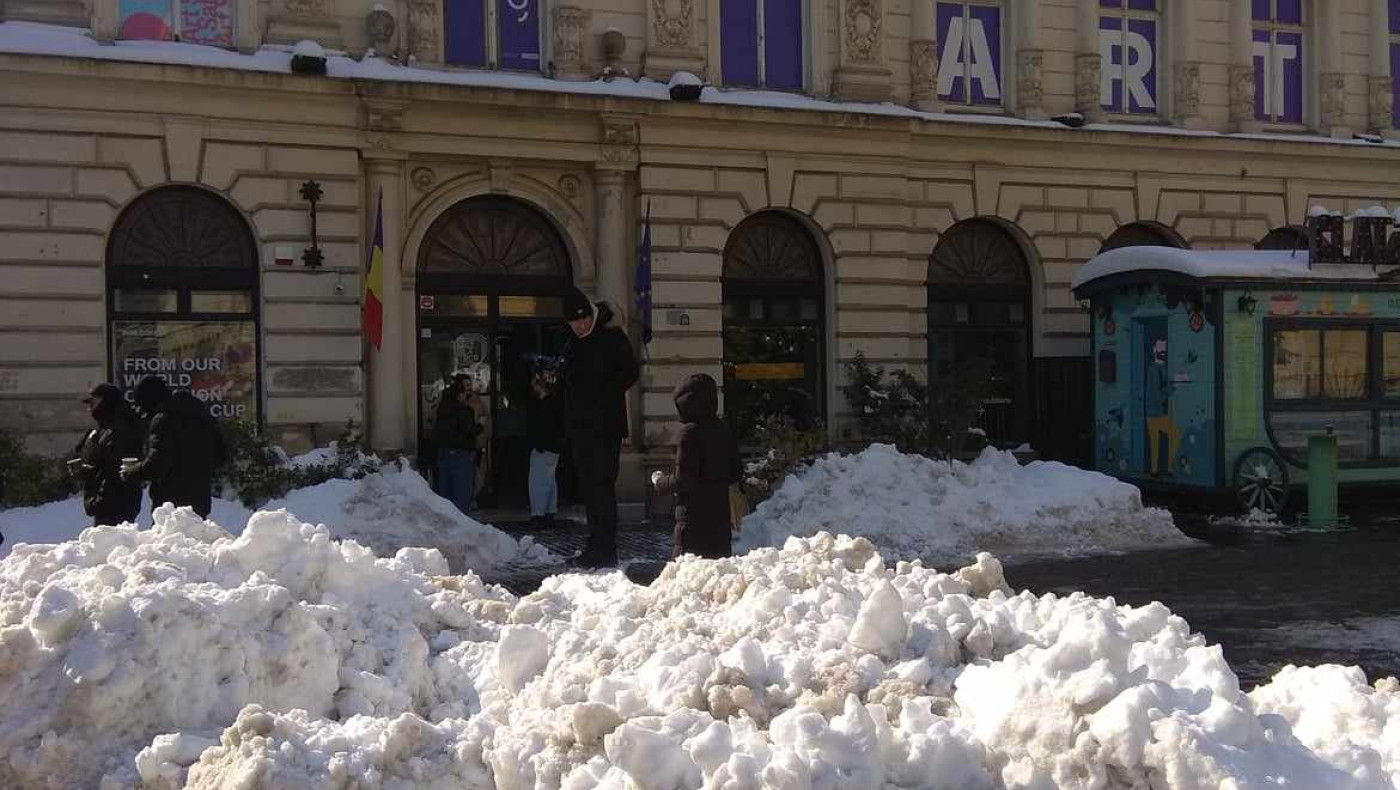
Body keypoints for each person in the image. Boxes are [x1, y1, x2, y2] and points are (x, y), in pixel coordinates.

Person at [560, 287, 640, 568]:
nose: (580, 325)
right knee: (590, 491)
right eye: (574, 321)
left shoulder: (611, 336)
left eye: (583, 318)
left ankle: (607, 549)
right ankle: (594, 546)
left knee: (602, 488)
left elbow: (631, 371)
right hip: (581, 430)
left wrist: (603, 393)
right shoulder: (571, 343)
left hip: (605, 428)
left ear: (591, 314)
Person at [650, 373, 742, 560]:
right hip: (719, 524)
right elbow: (736, 472)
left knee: (687, 575)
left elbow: (683, 480)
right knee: (715, 577)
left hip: (693, 521)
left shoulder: (689, 433)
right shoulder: (722, 428)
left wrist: (659, 481)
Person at [120, 375, 226, 518]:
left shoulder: (163, 419)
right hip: (199, 498)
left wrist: (131, 472)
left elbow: (156, 464)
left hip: (169, 502)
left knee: (167, 538)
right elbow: (220, 455)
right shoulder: (200, 414)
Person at [70, 383, 144, 527]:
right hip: (106, 503)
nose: (89, 407)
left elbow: (115, 472)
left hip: (115, 504)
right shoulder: (105, 428)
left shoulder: (119, 429)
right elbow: (102, 464)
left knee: (112, 544)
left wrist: (99, 501)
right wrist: (87, 471)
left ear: (106, 401)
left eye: (93, 402)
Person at [434, 373, 482, 514]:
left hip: (445, 451)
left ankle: (447, 520)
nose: (469, 391)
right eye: (467, 387)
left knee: (446, 491)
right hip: (460, 452)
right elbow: (469, 429)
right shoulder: (461, 409)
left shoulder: (444, 406)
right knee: (461, 493)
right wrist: (480, 425)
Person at [526, 356, 563, 527]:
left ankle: (539, 514)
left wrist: (538, 443)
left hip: (544, 446)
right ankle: (549, 511)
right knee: (549, 480)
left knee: (538, 481)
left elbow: (543, 426)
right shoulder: (554, 401)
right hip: (552, 446)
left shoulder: (546, 404)